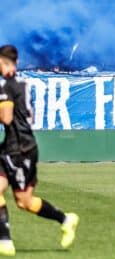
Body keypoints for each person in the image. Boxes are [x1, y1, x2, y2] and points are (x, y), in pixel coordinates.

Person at [0, 45, 79, 254]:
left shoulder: (6, 87)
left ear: (3, 61)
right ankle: (5, 240)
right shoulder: (24, 85)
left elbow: (6, 118)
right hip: (11, 146)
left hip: (20, 149)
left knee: (24, 202)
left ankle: (65, 219)